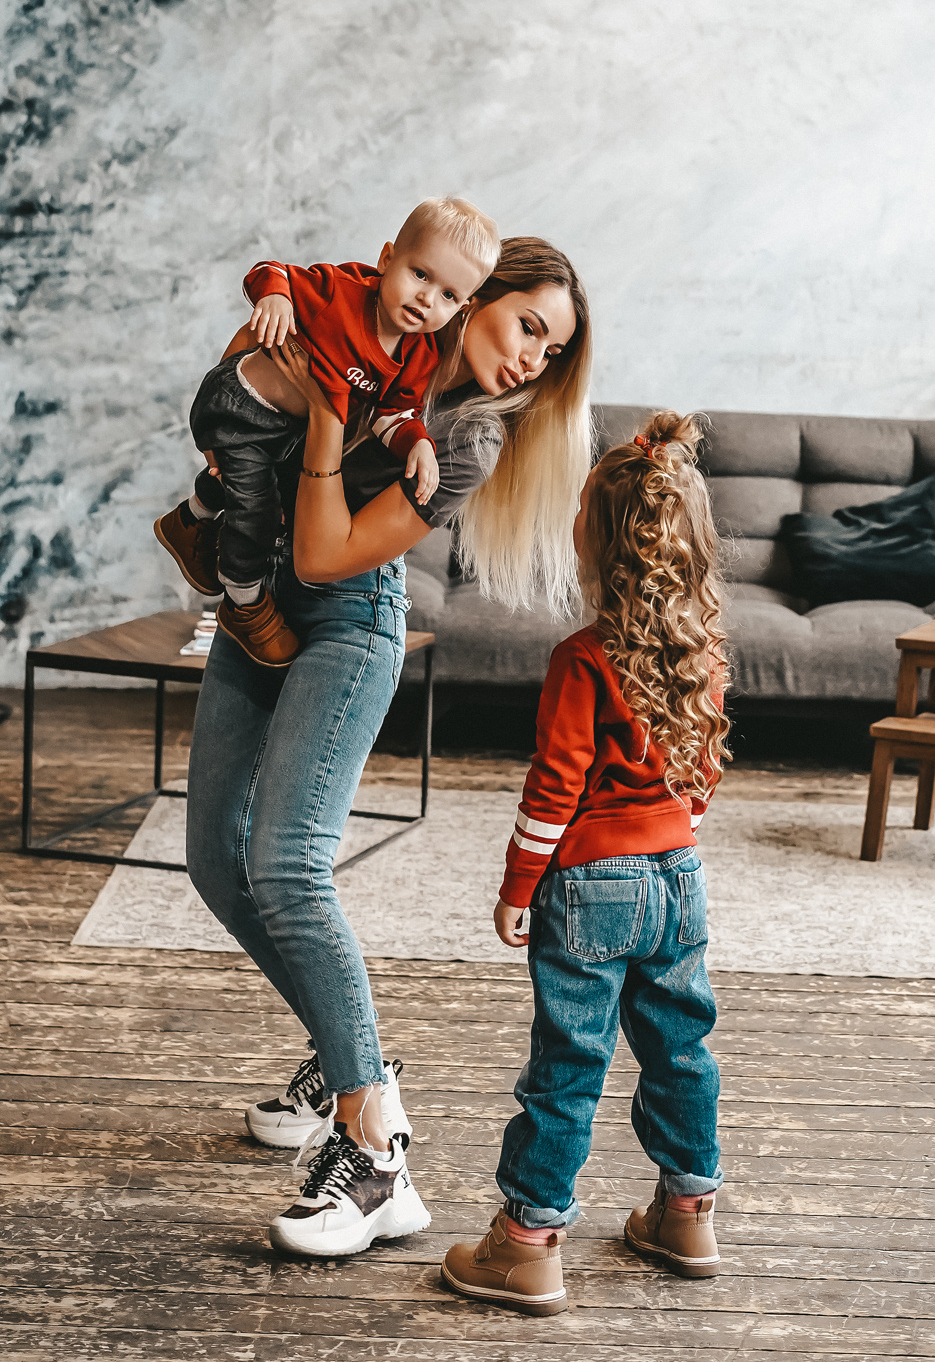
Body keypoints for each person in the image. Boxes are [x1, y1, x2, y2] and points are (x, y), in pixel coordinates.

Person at [183, 236, 592, 1259]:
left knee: (287, 865)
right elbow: (242, 382)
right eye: (527, 325)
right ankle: (342, 1049)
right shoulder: (372, 330)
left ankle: (379, 1159)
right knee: (209, 857)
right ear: (474, 297)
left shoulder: (466, 442)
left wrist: (325, 410)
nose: (531, 359)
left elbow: (329, 550)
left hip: (348, 619)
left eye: (550, 352)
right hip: (259, 604)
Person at [441, 412, 730, 1315]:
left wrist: (517, 886)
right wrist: (673, 829)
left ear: (594, 545)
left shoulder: (581, 658)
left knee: (570, 1062)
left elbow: (553, 789)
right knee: (681, 1048)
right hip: (678, 875)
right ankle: (688, 1212)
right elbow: (703, 769)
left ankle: (526, 1244)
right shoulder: (706, 653)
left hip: (587, 887)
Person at [154, 197, 500, 666]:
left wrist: (417, 442)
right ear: (386, 259)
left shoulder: (418, 358)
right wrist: (275, 298)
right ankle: (243, 604)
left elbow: (392, 414)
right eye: (420, 275)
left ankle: (188, 521)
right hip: (241, 404)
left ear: (462, 307)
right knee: (257, 513)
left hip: (285, 431)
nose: (426, 298)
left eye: (448, 296)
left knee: (270, 495)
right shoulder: (341, 292)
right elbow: (271, 271)